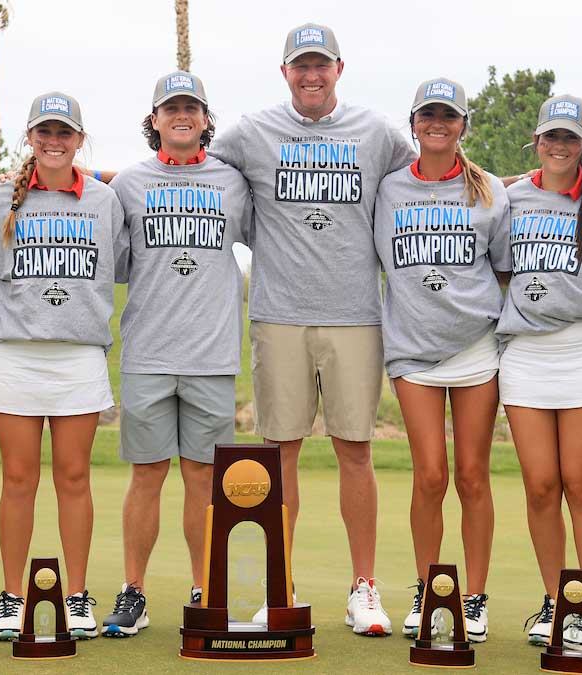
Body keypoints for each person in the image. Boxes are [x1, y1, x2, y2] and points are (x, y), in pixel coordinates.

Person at [208, 22, 417, 636]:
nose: (311, 75)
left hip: (356, 314)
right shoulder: (251, 132)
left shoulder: (377, 133)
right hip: (278, 315)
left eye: (320, 65)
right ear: (285, 74)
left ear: (339, 70)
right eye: (300, 66)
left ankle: (364, 589)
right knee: (281, 455)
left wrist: (512, 187)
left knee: (356, 451)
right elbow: (189, 173)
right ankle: (282, 587)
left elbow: (432, 178)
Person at [100, 71, 253, 637]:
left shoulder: (234, 182)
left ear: (206, 118)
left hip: (212, 354)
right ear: (155, 119)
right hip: (147, 351)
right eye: (171, 108)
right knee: (147, 473)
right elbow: (112, 258)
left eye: (191, 107)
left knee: (202, 476)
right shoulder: (129, 184)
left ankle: (203, 589)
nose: (181, 116)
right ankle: (133, 591)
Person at [0, 92, 126, 641]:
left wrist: (101, 173)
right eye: (45, 132)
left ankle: (77, 595)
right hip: (14, 354)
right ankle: (13, 596)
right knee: (18, 479)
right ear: (30, 138)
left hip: (79, 356)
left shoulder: (104, 201)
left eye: (65, 133)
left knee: (74, 478)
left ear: (80, 140)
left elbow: (120, 261)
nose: (54, 141)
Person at [372, 77, 509, 642]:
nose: (437, 123)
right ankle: (430, 590)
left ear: (462, 127)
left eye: (448, 116)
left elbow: (501, 269)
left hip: (476, 346)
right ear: (413, 124)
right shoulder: (388, 189)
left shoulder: (490, 191)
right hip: (412, 349)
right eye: (427, 114)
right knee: (430, 474)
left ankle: (472, 598)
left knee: (473, 476)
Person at [497, 96, 582, 650]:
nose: (559, 146)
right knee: (541, 486)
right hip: (525, 353)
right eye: (551, 136)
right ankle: (557, 601)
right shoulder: (509, 194)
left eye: (570, 138)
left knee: (579, 484)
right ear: (537, 139)